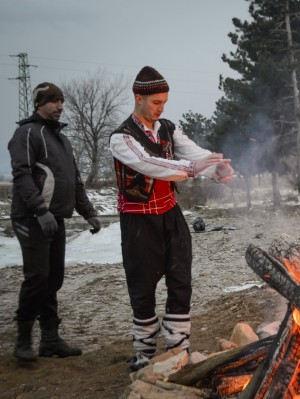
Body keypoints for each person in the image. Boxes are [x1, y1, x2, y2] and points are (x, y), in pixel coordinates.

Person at [109, 66, 235, 371]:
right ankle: (144, 351)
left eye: (164, 101)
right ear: (138, 98)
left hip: (170, 215)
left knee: (180, 279)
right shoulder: (121, 138)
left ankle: (179, 348)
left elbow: (192, 153)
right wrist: (193, 169)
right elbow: (149, 164)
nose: (161, 108)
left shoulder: (168, 128)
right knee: (142, 284)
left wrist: (215, 166)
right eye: (155, 102)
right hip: (138, 221)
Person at [8, 82, 102, 362]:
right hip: (31, 217)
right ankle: (23, 339)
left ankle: (49, 340)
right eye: (53, 101)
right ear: (38, 103)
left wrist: (89, 212)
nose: (60, 106)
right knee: (37, 277)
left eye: (61, 101)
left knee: (53, 278)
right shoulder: (26, 133)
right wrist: (40, 210)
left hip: (56, 217)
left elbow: (74, 181)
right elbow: (22, 175)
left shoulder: (62, 140)